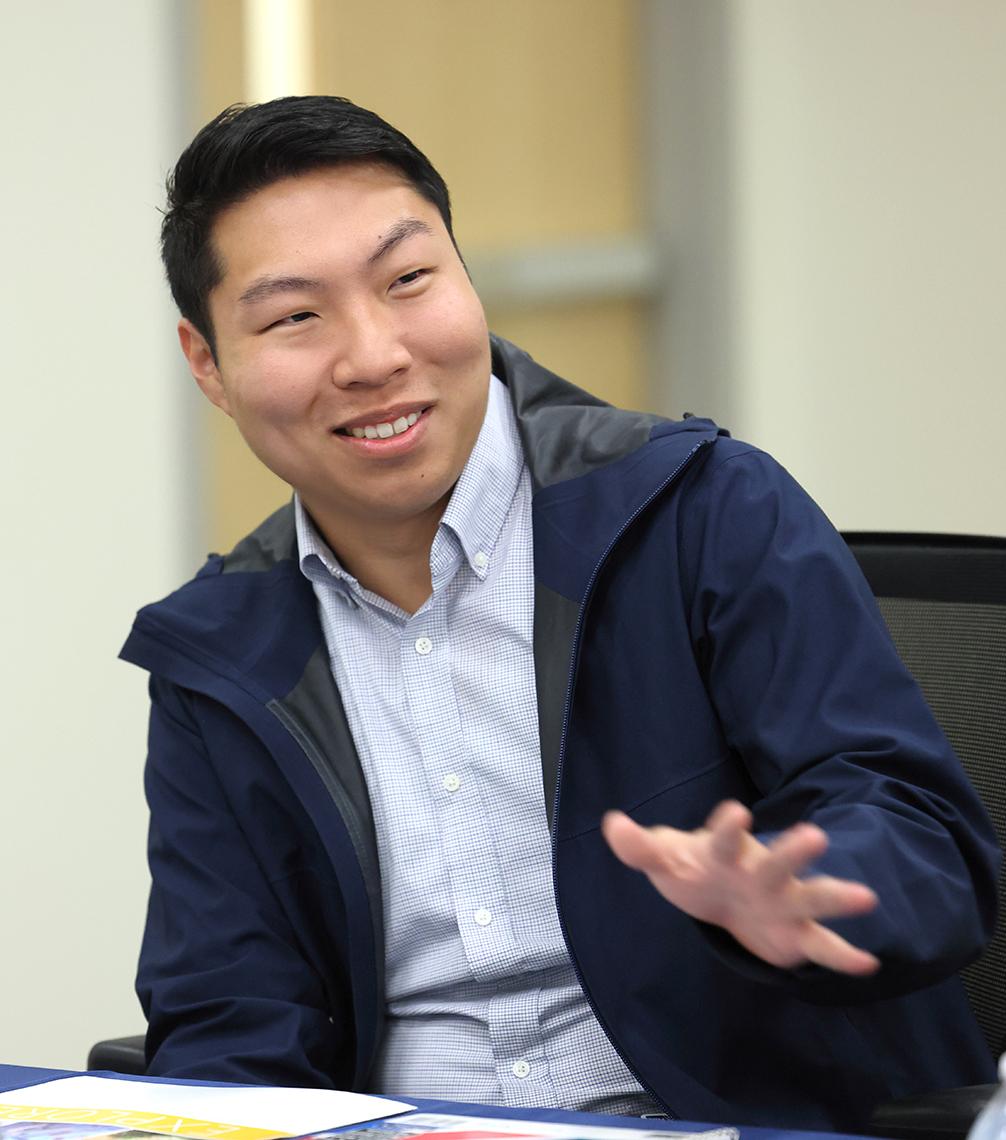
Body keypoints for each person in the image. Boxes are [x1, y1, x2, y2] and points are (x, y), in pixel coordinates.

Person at [125, 95, 999, 1131]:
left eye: (409, 280)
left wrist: (804, 894)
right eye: (293, 318)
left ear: (463, 276)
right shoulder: (218, 652)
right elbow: (231, 1016)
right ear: (208, 365)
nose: (372, 355)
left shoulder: (699, 509)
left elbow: (916, 834)